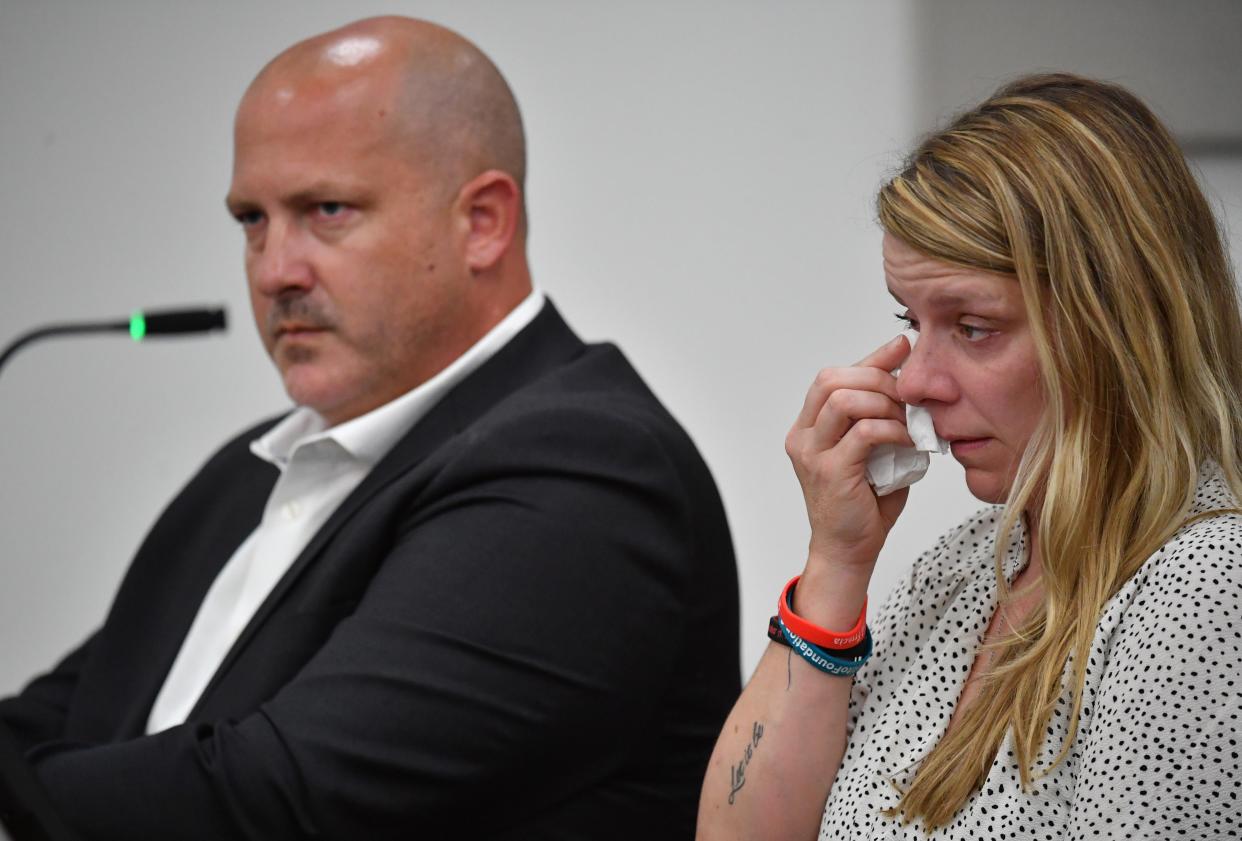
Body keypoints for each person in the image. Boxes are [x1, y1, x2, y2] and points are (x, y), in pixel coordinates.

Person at [0, 16, 740, 840]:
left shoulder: (585, 467)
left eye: (327, 209)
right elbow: (70, 712)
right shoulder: (255, 470)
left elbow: (284, 798)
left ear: (483, 222)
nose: (276, 269)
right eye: (252, 219)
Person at [697, 73, 1242, 839]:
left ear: (1115, 325)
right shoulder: (968, 569)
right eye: (911, 321)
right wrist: (836, 563)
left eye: (974, 326)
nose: (914, 378)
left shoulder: (1204, 585)